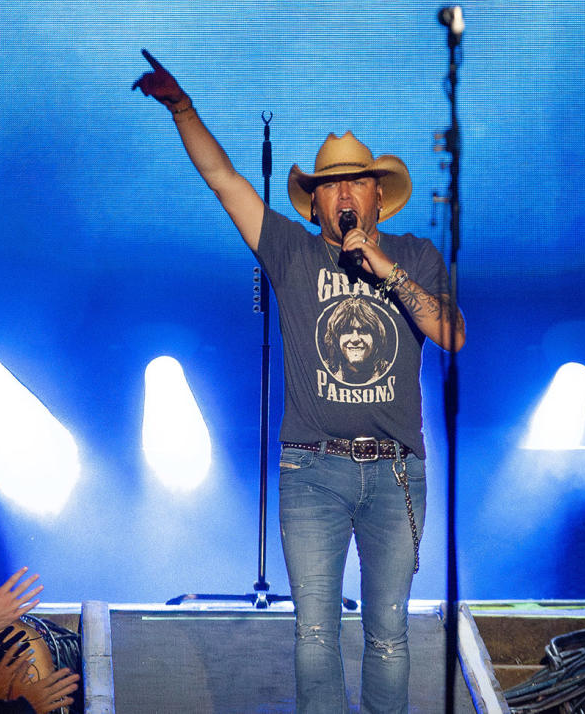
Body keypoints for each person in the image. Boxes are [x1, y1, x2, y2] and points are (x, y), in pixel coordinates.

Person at [133, 49, 465, 714]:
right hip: (311, 472)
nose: (344, 194)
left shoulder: (417, 255)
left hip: (397, 472)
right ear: (313, 200)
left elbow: (453, 334)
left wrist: (385, 271)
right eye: (330, 184)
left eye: (357, 183)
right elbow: (225, 181)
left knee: (390, 637)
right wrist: (183, 110)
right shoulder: (291, 251)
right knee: (316, 636)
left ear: (378, 194)